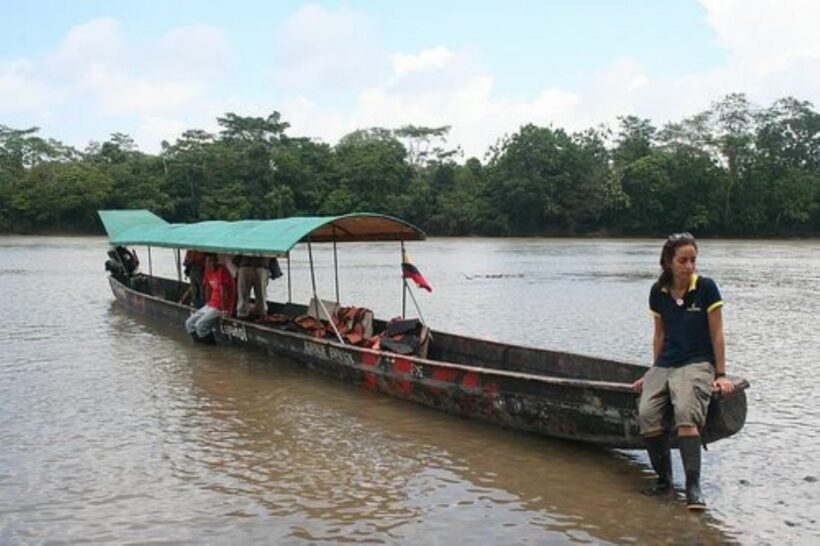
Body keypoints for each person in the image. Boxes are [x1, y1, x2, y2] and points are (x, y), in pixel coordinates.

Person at [632, 232, 735, 511]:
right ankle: (664, 482)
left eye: (693, 260)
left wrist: (721, 374)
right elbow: (659, 335)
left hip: (697, 363)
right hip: (666, 363)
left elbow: (717, 335)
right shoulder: (658, 291)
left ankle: (692, 487)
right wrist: (653, 372)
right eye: (682, 260)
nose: (689, 266)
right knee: (647, 415)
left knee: (686, 414)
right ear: (668, 262)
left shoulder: (706, 288)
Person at [184, 254, 235, 343]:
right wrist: (207, 305)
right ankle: (199, 347)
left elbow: (224, 293)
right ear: (205, 263)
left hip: (220, 306)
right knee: (189, 323)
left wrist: (224, 312)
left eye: (214, 261)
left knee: (200, 325)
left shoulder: (222, 271)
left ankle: (209, 347)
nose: (213, 263)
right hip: (211, 304)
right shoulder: (207, 271)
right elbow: (207, 289)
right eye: (209, 261)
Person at [234, 255, 269, 319]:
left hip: (255, 264)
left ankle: (259, 314)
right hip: (255, 264)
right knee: (245, 294)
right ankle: (259, 313)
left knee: (258, 294)